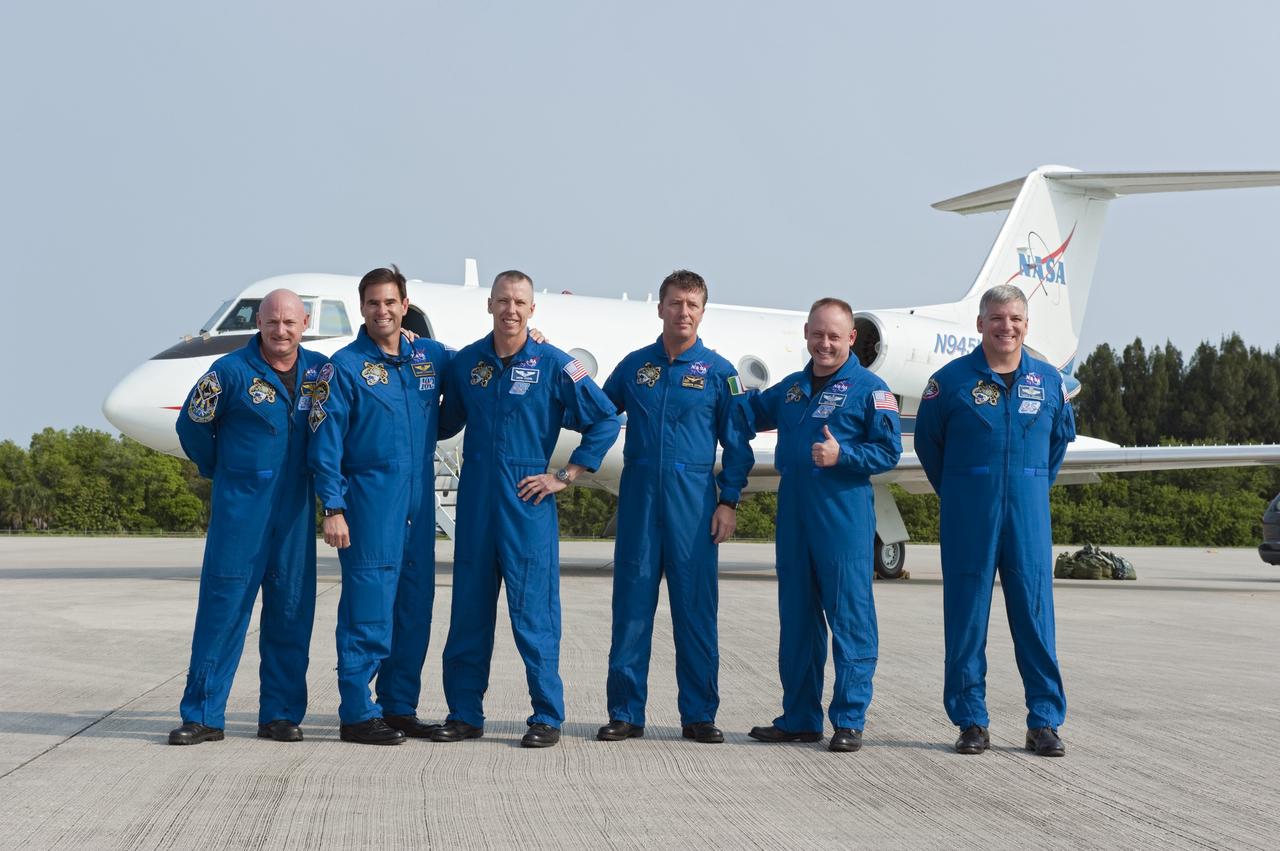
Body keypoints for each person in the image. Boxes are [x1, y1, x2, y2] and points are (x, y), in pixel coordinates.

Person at [430, 270, 620, 748]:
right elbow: (443, 418)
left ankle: (546, 716)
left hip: (526, 504)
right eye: (503, 301)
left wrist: (566, 475)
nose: (510, 310)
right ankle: (465, 713)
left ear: (532, 310)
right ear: (490, 306)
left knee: (535, 616)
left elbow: (604, 420)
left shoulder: (557, 364)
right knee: (468, 616)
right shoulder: (467, 364)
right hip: (475, 506)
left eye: (520, 302)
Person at [913, 284, 1076, 757]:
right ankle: (971, 721)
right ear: (980, 323)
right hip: (969, 515)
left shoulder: (1050, 384)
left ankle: (1044, 722)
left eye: (1016, 319)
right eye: (997, 318)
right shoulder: (949, 384)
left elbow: (1058, 445)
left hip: (1027, 517)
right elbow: (929, 445)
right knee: (965, 619)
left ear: (1027, 326)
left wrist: (1027, 487)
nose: (1007, 327)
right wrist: (964, 490)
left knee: (1035, 618)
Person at [595, 270, 753, 745]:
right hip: (641, 505)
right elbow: (598, 411)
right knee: (631, 613)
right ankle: (625, 712)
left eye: (692, 304)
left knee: (696, 614)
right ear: (660, 308)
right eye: (675, 303)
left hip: (694, 508)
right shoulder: (634, 367)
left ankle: (699, 715)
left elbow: (739, 444)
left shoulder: (720, 373)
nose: (683, 312)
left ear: (703, 312)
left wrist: (728, 501)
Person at [169, 289, 326, 745]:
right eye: (273, 322)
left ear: (305, 323)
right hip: (242, 512)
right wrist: (222, 470)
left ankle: (279, 715)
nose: (281, 330)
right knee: (223, 610)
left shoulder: (320, 371)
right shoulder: (230, 371)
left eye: (290, 323)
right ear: (260, 322)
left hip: (296, 511)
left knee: (292, 612)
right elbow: (192, 425)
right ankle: (202, 715)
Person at [746, 298, 902, 753]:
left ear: (851, 338)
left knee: (849, 617)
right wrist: (719, 377)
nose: (825, 343)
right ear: (807, 335)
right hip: (795, 514)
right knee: (796, 621)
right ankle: (799, 718)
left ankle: (849, 720)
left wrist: (844, 456)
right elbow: (748, 412)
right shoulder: (792, 389)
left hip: (843, 514)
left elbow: (888, 452)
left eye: (835, 335)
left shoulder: (871, 390)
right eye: (818, 334)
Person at [308, 265, 453, 746]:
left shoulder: (428, 357)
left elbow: (481, 364)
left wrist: (529, 336)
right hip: (370, 502)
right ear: (363, 308)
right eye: (373, 303)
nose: (382, 310)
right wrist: (333, 506)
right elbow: (324, 442)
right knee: (367, 608)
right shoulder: (343, 368)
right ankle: (356, 713)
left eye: (390, 302)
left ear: (405, 306)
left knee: (414, 609)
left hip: (418, 504)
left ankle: (399, 707)